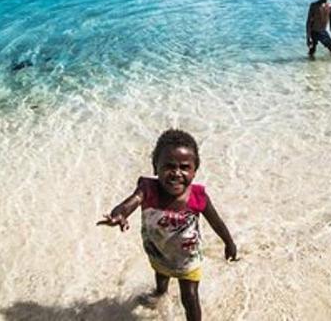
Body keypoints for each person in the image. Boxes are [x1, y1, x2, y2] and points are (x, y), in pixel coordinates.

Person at [98, 129, 237, 321]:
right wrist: (119, 215)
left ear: (195, 170)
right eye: (169, 166)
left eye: (184, 167)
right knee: (161, 274)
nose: (176, 173)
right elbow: (129, 203)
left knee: (189, 297)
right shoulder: (148, 190)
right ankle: (159, 293)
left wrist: (229, 242)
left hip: (188, 258)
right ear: (156, 167)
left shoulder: (198, 196)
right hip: (158, 251)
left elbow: (216, 222)